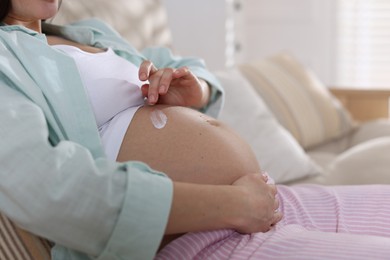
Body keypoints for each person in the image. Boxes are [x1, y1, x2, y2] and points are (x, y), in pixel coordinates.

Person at [1, 0, 390, 259]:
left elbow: (185, 64)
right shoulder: (6, 60)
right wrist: (236, 206)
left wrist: (194, 89)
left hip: (267, 203)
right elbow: (52, 191)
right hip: (198, 238)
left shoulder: (88, 34)